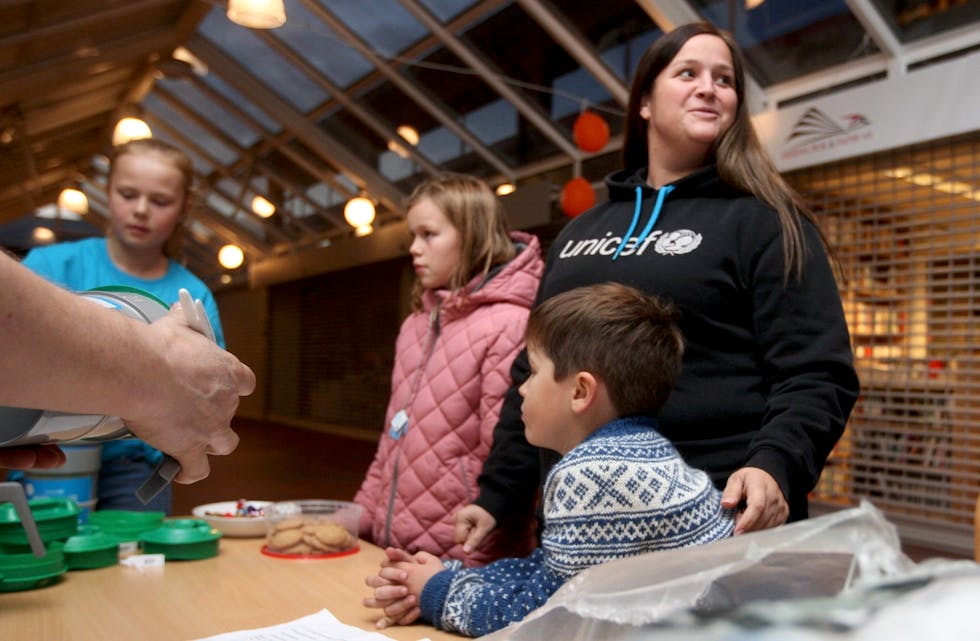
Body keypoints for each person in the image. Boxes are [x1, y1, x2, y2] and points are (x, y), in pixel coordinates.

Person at [454, 21, 860, 553]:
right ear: (644, 101)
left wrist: (775, 466)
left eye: (725, 79)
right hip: (581, 532)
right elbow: (532, 372)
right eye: (687, 72)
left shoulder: (765, 221)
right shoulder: (580, 230)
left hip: (715, 526)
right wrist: (496, 495)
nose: (709, 88)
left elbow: (816, 373)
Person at [363, 283, 734, 636]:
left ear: (580, 391)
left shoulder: (591, 474)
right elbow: (549, 570)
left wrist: (437, 593)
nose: (522, 387)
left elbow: (546, 618)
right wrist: (451, 575)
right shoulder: (637, 454)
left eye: (534, 372)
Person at [16, 137, 225, 513]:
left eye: (160, 201)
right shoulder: (47, 268)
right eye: (128, 194)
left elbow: (207, 394)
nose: (141, 210)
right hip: (48, 452)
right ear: (107, 192)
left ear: (184, 207)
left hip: (136, 467)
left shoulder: (191, 296)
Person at [353, 173, 543, 567]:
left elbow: (507, 454)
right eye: (412, 235)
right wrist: (359, 515)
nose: (414, 249)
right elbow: (393, 439)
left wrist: (475, 563)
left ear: (472, 235)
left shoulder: (508, 325)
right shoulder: (415, 326)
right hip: (396, 551)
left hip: (465, 556)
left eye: (428, 234)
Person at [0, 252, 255, 479]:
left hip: (133, 459)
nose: (141, 210)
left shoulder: (192, 286)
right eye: (128, 194)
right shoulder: (58, 260)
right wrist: (160, 369)